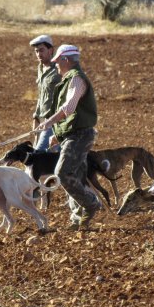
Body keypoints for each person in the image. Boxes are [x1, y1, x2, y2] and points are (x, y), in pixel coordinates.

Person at [36, 44, 101, 229]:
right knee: (77, 177)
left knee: (62, 173)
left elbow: (69, 108)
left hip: (80, 135)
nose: (55, 64)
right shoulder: (68, 79)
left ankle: (91, 203)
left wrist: (48, 123)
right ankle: (78, 220)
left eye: (57, 61)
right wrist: (57, 135)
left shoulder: (77, 79)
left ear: (66, 60)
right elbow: (71, 116)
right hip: (74, 135)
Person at [29, 34, 62, 152]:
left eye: (41, 50)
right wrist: (36, 118)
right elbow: (42, 95)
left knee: (39, 155)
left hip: (56, 121)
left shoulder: (60, 69)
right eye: (36, 51)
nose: (39, 54)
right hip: (44, 121)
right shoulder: (41, 68)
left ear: (51, 50)